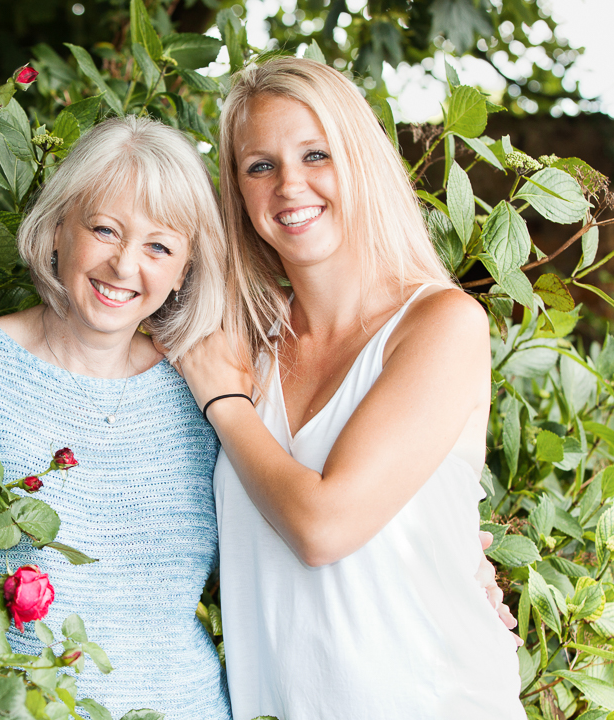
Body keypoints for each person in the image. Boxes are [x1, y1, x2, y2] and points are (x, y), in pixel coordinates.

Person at [172, 57, 524, 719]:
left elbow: (324, 527)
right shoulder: (241, 347)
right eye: (261, 166)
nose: (289, 187)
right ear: (239, 193)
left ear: (360, 161)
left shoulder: (440, 325)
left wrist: (226, 406)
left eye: (316, 154)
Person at [0, 116, 234, 720]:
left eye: (159, 246)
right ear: (57, 228)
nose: (126, 265)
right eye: (105, 229)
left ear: (184, 270)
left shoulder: (205, 392)